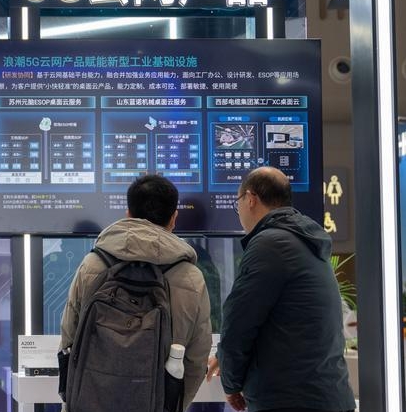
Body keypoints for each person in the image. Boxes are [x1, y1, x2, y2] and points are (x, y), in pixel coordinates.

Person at [207, 166, 356, 412]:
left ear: (250, 199)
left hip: (290, 400)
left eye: (237, 203)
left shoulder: (270, 244)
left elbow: (239, 322)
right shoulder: (307, 240)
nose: (239, 211)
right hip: (328, 395)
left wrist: (231, 383)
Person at [59, 174, 212, 410]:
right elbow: (196, 357)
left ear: (128, 214)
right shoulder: (190, 278)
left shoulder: (93, 265)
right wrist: (174, 404)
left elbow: (69, 336)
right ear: (174, 218)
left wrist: (73, 398)